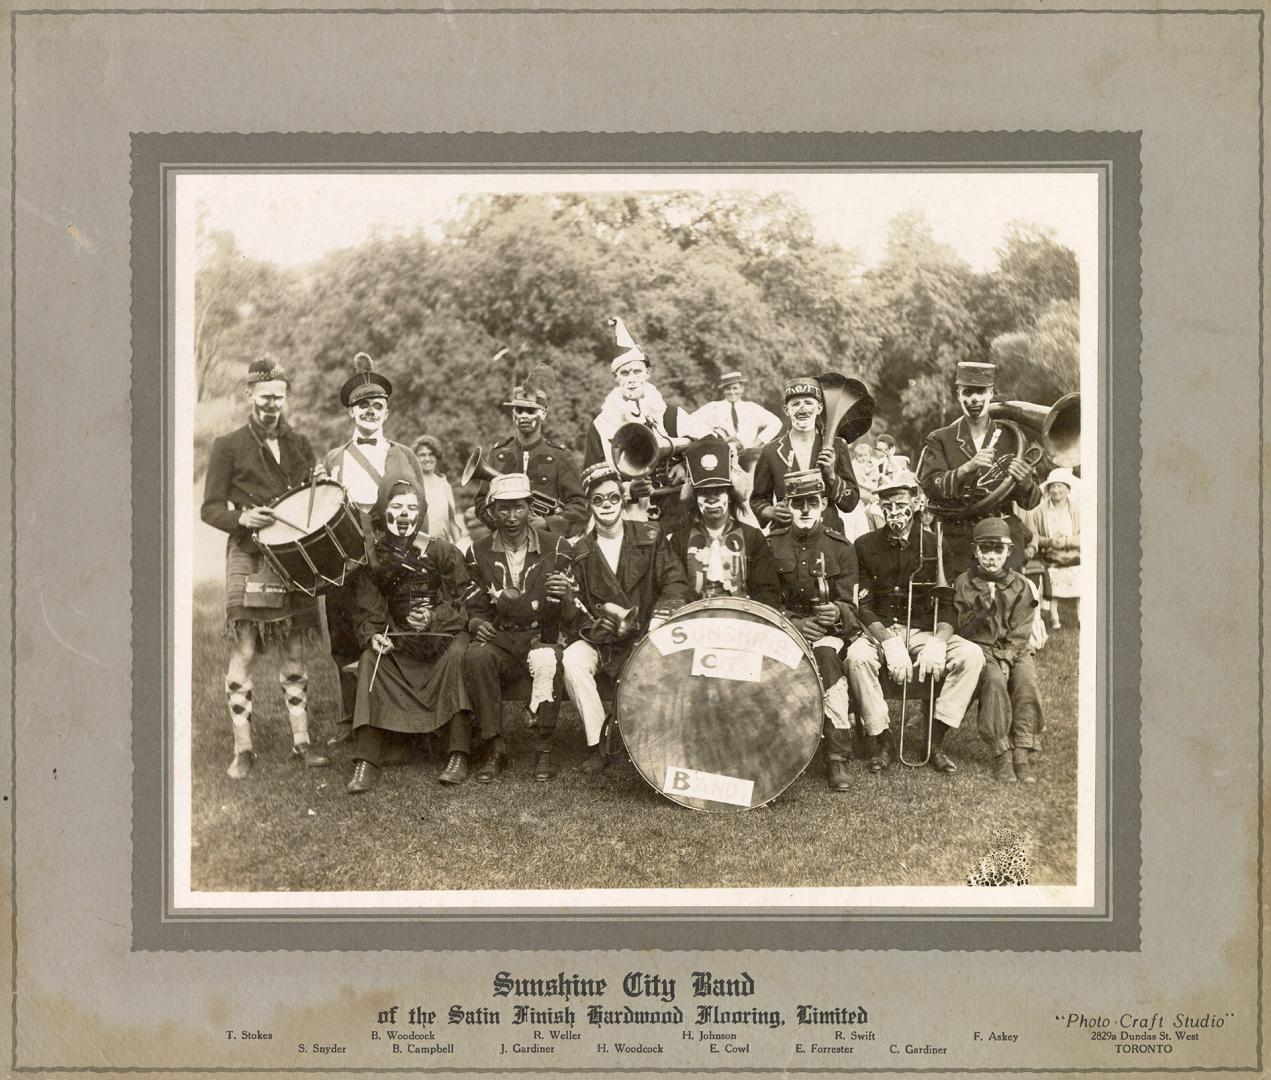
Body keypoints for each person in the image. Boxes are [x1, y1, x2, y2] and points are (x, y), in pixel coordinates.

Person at [200, 355, 331, 778]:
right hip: (249, 554)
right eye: (264, 396)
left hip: (295, 558)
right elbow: (210, 509)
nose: (271, 403)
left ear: (286, 398)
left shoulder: (301, 444)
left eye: (278, 396)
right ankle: (243, 748)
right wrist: (242, 518)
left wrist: (321, 483)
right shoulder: (228, 445)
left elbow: (311, 502)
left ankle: (303, 742)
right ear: (249, 395)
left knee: (294, 649)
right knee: (246, 649)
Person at [846, 471, 985, 775]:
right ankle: (882, 738)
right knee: (856, 658)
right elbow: (864, 605)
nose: (894, 511)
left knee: (972, 656)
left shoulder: (935, 543)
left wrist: (939, 641)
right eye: (887, 504)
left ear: (916, 501)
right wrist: (888, 642)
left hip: (924, 629)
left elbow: (948, 605)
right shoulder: (865, 544)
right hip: (880, 630)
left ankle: (934, 740)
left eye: (900, 502)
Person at [321, 352, 426, 744]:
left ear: (387, 411)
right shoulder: (334, 458)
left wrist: (419, 556)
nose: (370, 411)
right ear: (351, 412)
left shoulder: (405, 454)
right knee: (345, 636)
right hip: (345, 561)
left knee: (395, 628)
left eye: (377, 405)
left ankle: (400, 716)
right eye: (362, 406)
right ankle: (351, 720)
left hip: (393, 555)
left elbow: (420, 509)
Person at [560, 462, 691, 774]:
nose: (607, 506)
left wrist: (656, 624)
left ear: (623, 499)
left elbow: (675, 582)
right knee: (572, 661)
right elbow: (573, 609)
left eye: (613, 498)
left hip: (645, 634)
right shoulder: (579, 549)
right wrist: (593, 628)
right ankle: (599, 742)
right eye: (598, 500)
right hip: (603, 641)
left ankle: (646, 738)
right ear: (590, 504)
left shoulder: (649, 534)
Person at [344, 479, 474, 793]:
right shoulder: (373, 559)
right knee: (370, 658)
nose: (404, 514)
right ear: (383, 511)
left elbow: (469, 601)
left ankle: (459, 753)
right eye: (397, 507)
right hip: (399, 644)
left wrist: (435, 617)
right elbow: (369, 608)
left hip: (443, 640)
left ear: (422, 512)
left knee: (460, 655)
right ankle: (367, 758)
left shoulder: (442, 551)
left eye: (412, 507)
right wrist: (375, 635)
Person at [461, 473, 576, 783]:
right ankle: (495, 746)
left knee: (546, 659)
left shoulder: (557, 547)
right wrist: (477, 622)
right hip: (501, 638)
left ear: (530, 508)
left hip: (542, 636)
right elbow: (472, 601)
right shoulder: (477, 552)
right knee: (476, 658)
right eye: (503, 509)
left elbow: (573, 613)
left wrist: (567, 595)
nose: (511, 517)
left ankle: (544, 748)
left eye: (519, 508)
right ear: (492, 511)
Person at [767, 469, 865, 791]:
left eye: (811, 501)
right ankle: (776, 747)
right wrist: (793, 623)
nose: (805, 509)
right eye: (797, 503)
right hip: (784, 629)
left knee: (826, 656)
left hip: (827, 633)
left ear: (823, 503)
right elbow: (763, 598)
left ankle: (837, 756)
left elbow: (852, 609)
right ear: (788, 505)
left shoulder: (841, 547)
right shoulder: (772, 545)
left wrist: (836, 611)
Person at [917, 360, 1041, 575]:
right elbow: (930, 485)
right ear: (958, 395)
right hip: (959, 537)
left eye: (981, 392)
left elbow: (1032, 502)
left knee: (1007, 602)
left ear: (991, 393)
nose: (974, 399)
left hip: (1004, 535)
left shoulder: (1012, 437)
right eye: (967, 392)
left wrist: (1027, 482)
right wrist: (967, 468)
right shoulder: (940, 438)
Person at [584, 316, 706, 527]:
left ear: (647, 373)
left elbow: (711, 442)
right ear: (616, 377)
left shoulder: (671, 414)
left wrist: (687, 466)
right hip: (625, 517)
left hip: (676, 513)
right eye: (624, 373)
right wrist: (626, 490)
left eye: (637, 371)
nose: (631, 379)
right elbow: (589, 480)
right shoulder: (601, 425)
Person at [952, 516, 1044, 783]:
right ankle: (1002, 751)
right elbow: (964, 631)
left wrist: (1007, 658)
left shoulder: (1020, 585)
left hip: (1015, 649)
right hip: (981, 649)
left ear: (1008, 552)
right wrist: (981, 610)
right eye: (985, 550)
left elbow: (1021, 630)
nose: (991, 557)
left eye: (998, 550)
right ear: (975, 551)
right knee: (993, 681)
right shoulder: (964, 583)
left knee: (1026, 681)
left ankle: (1022, 751)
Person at [666, 437, 782, 606]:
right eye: (704, 492)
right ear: (695, 498)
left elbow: (767, 594)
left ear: (729, 496)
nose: (711, 500)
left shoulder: (753, 537)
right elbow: (674, 590)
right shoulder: (678, 541)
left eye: (718, 491)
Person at [475, 367, 587, 537]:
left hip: (546, 542)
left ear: (543, 413)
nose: (524, 416)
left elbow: (579, 506)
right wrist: (502, 522)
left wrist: (547, 523)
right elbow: (481, 503)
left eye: (531, 411)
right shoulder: (497, 454)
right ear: (513, 415)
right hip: (505, 541)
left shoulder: (560, 455)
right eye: (519, 410)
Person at [751, 377, 861, 535]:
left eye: (809, 403)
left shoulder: (836, 446)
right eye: (795, 404)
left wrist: (831, 476)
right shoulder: (771, 450)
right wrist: (771, 511)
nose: (802, 410)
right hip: (786, 537)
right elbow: (757, 500)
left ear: (819, 408)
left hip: (828, 537)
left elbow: (850, 503)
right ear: (786, 410)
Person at [1019, 467, 1081, 630]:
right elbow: (1034, 536)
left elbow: (1085, 535)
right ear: (1048, 490)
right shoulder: (1038, 511)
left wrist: (1067, 542)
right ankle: (1054, 616)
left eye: (1060, 486)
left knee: (1082, 572)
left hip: (1074, 553)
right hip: (1050, 555)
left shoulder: (1077, 510)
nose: (1056, 490)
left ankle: (1081, 616)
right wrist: (1051, 542)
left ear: (1067, 489)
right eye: (1052, 486)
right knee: (1052, 576)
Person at [690, 369, 783, 449]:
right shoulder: (713, 407)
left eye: (735, 388)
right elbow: (691, 422)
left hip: (747, 455)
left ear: (742, 388)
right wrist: (712, 438)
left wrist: (757, 442)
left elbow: (776, 423)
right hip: (722, 454)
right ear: (723, 390)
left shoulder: (752, 408)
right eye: (728, 389)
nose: (732, 392)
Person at [412, 435, 469, 545]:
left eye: (431, 454)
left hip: (442, 547)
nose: (427, 458)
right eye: (422, 455)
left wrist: (460, 546)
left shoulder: (444, 484)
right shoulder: (412, 483)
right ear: (416, 458)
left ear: (437, 456)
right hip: (418, 547)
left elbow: (451, 520)